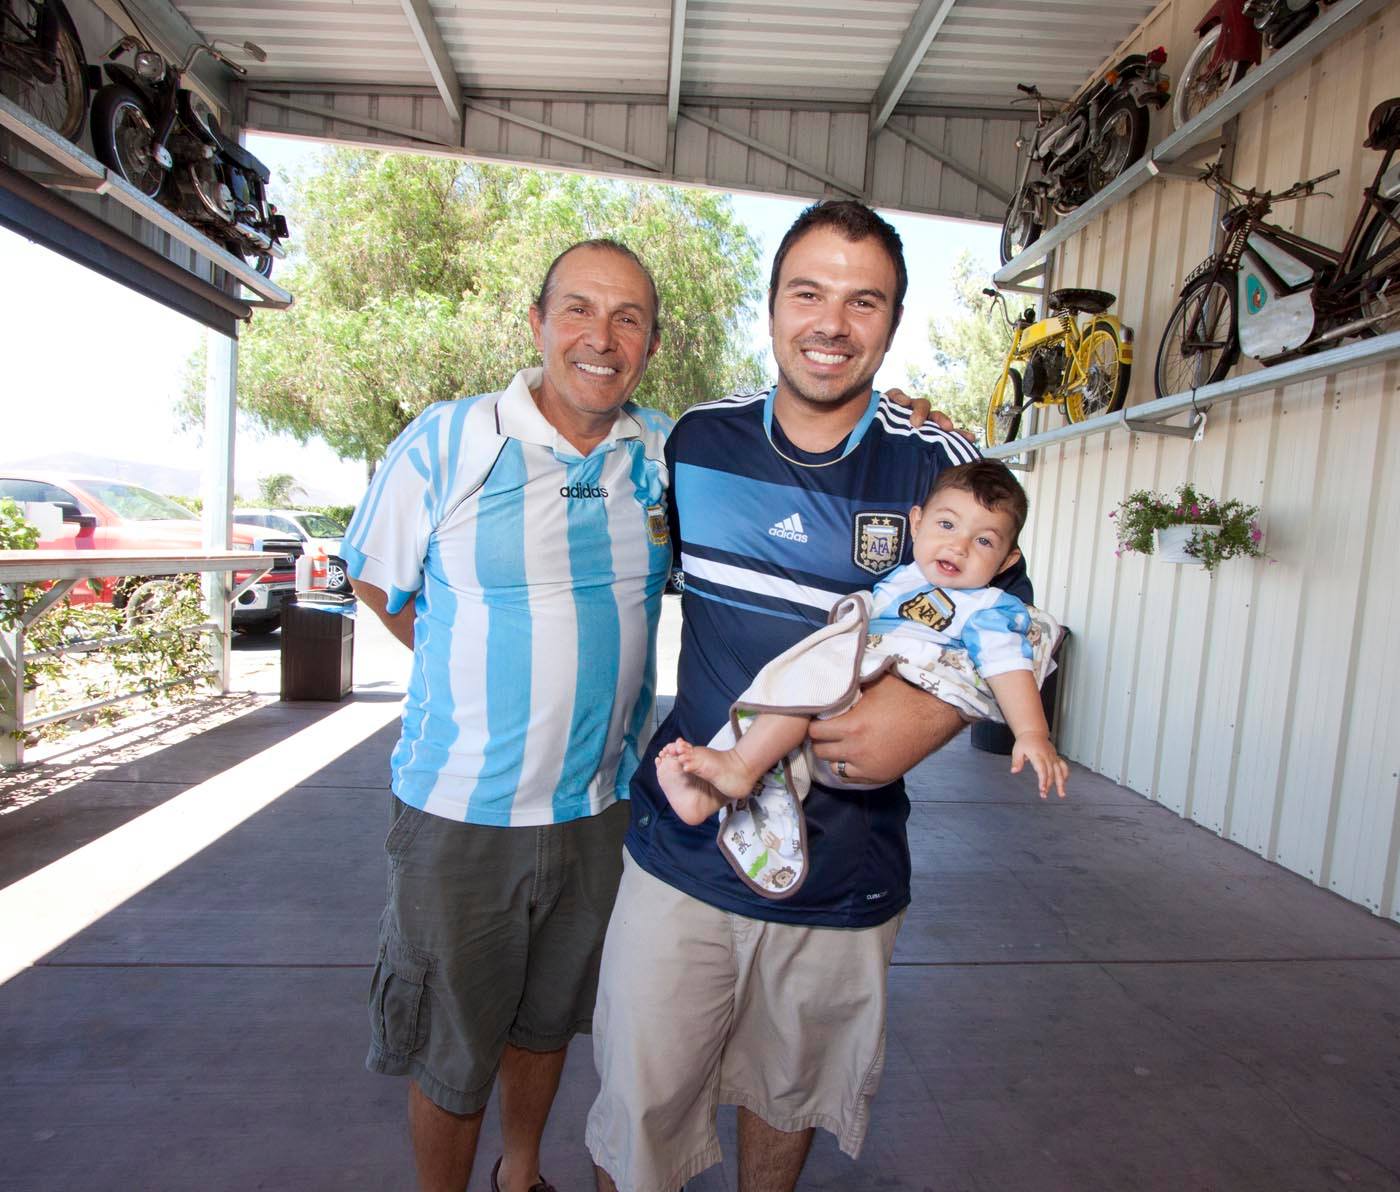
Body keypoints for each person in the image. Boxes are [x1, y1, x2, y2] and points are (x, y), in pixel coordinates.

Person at [587, 200, 1037, 1192]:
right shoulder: (694, 444)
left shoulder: (939, 466)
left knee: (784, 1100)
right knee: (636, 1118)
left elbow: (1013, 621)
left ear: (891, 320)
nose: (831, 323)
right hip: (681, 850)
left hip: (842, 868)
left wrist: (918, 721)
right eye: (808, 293)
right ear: (771, 305)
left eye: (861, 300)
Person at [342, 238, 673, 1192]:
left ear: (649, 344)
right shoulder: (448, 440)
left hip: (597, 812)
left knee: (546, 1019)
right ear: (537, 324)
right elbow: (377, 581)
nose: (600, 338)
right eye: (578, 310)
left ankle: (519, 1178)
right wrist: (468, 663)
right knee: (454, 1044)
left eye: (628, 319)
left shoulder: (654, 454)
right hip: (462, 815)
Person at [656, 460, 1069, 860]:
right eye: (947, 525)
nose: (958, 546)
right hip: (851, 686)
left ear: (1008, 560)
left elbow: (1006, 666)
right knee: (771, 702)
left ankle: (740, 766)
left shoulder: (987, 606)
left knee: (806, 682)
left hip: (884, 691)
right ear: (917, 522)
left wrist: (1032, 733)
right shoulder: (905, 578)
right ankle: (707, 795)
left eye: (984, 541)